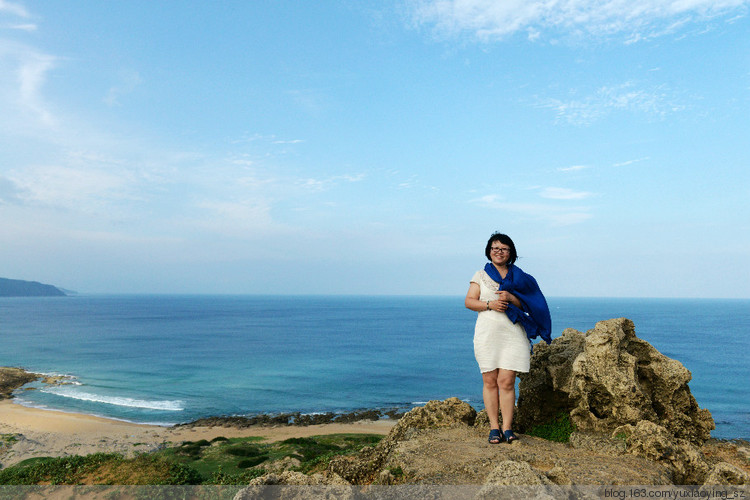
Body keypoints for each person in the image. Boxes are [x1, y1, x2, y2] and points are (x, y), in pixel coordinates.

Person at [464, 232, 551, 444]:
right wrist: (489, 305)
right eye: (495, 248)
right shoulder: (480, 275)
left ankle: (508, 428)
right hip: (487, 334)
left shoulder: (521, 278)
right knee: (490, 380)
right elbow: (469, 301)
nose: (498, 252)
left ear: (510, 252)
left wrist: (512, 297)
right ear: (489, 251)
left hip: (513, 333)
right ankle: (494, 428)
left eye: (503, 249)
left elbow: (533, 304)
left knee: (507, 380)